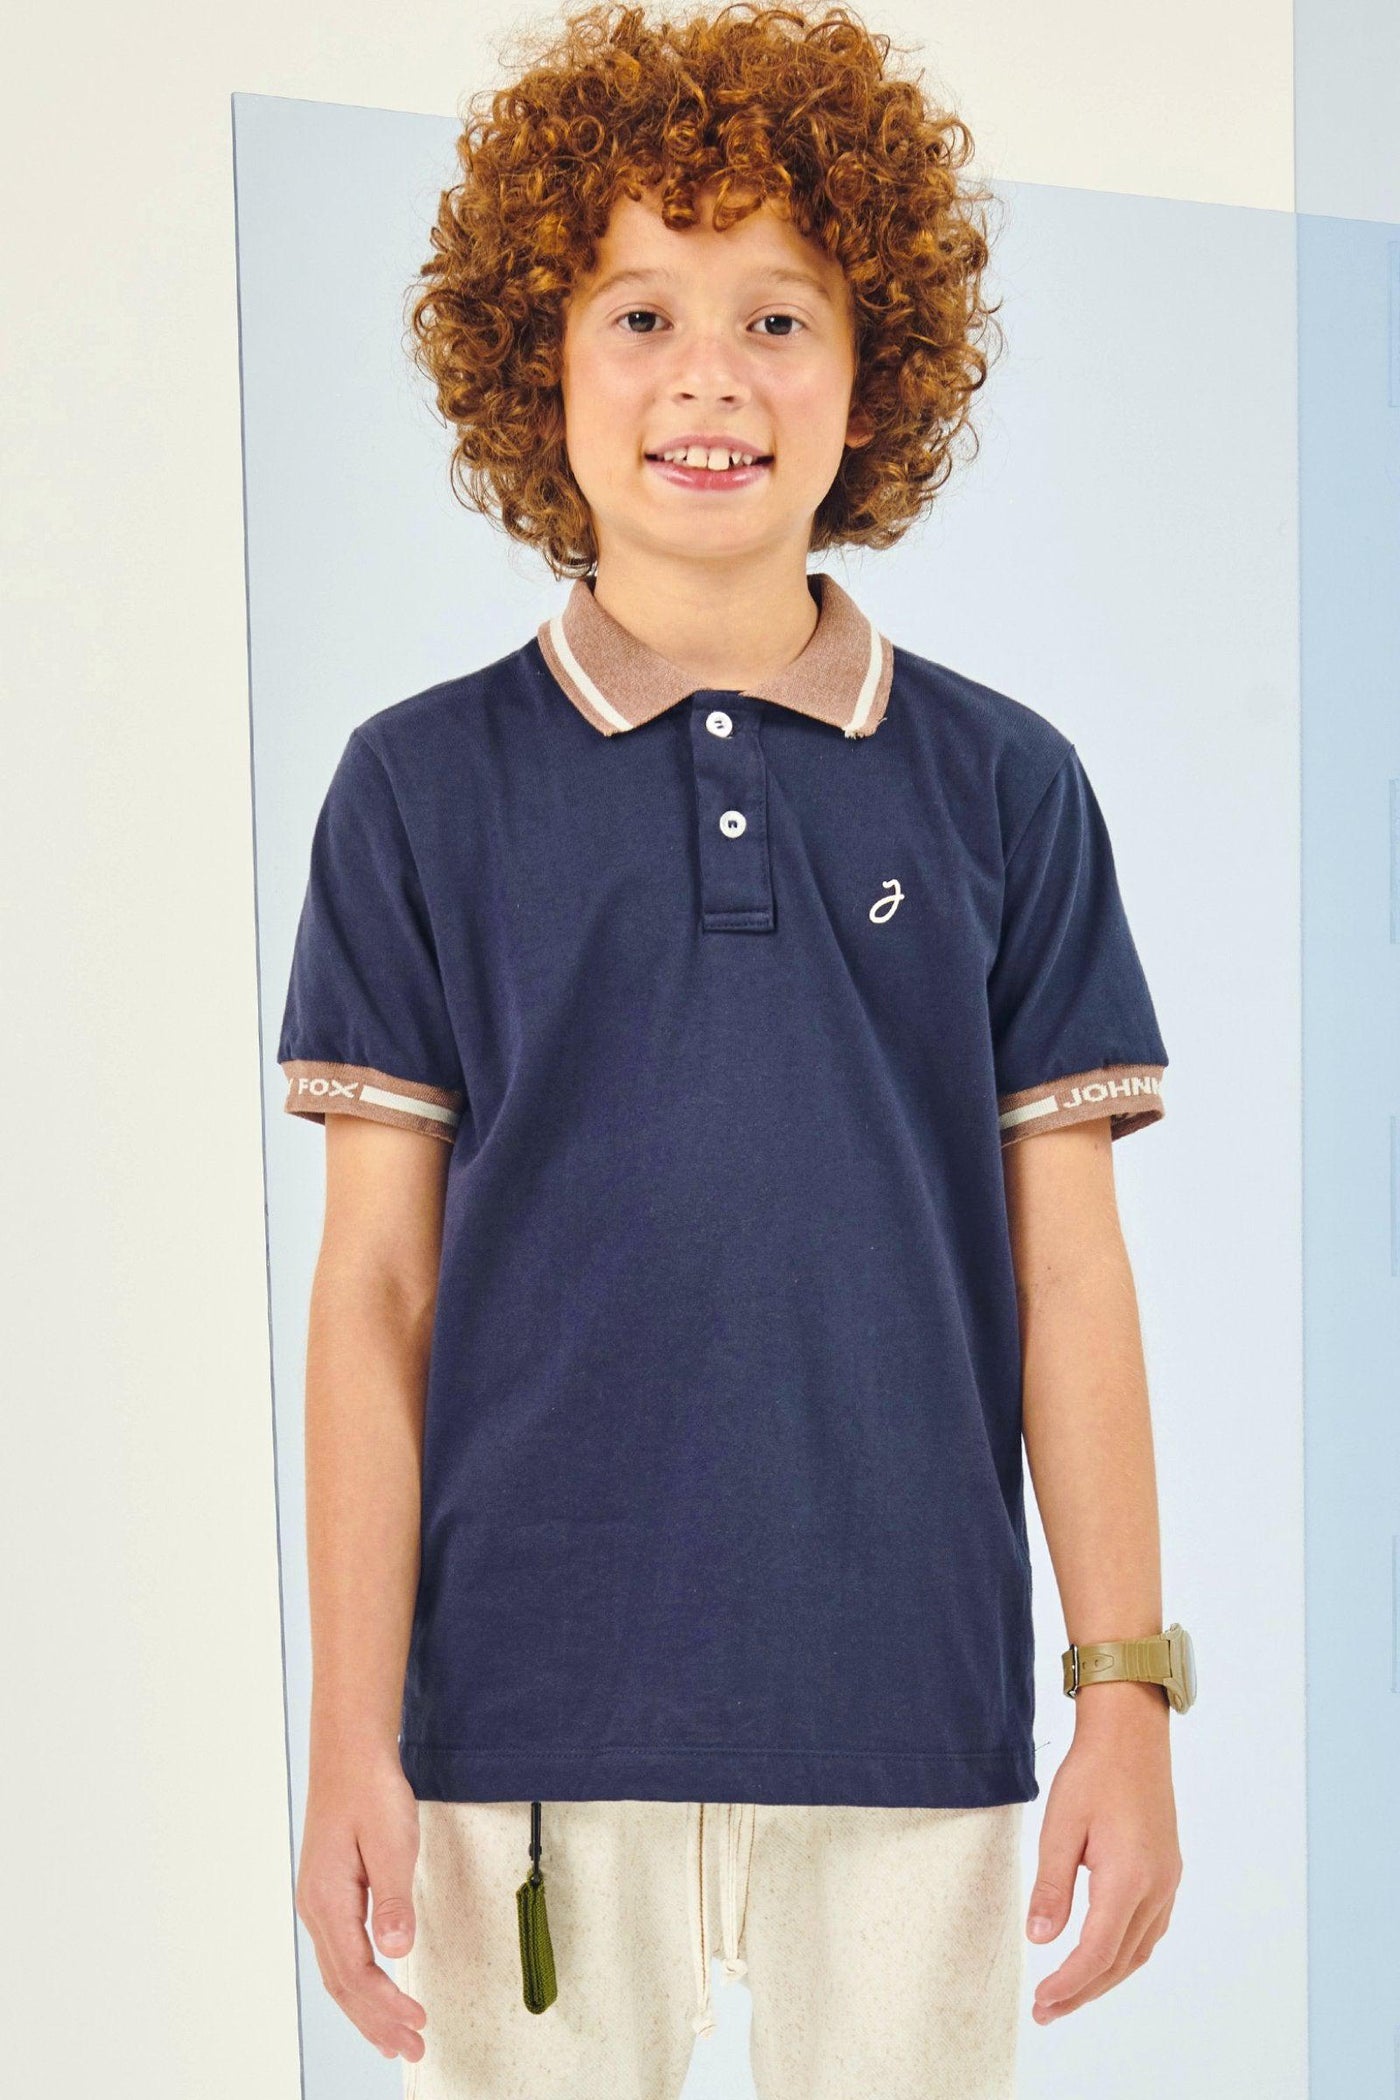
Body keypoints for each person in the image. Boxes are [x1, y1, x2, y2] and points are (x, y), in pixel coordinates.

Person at [278, 3, 1189, 2094]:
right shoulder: (416, 792)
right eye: (639, 314)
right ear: (539, 364)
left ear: (876, 375)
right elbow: (375, 1293)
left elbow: (1069, 1276)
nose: (710, 375)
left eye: (780, 316)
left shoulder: (1006, 788)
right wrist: (348, 1736)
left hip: (909, 1722)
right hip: (517, 1736)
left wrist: (1124, 1694)